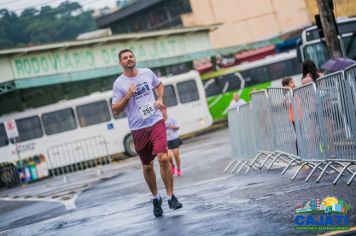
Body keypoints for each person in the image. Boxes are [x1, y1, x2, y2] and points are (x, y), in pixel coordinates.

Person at [112, 49, 182, 217]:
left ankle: (171, 197)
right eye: (125, 58)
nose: (129, 59)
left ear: (134, 58)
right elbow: (115, 109)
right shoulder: (119, 84)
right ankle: (155, 198)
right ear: (120, 63)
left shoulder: (147, 73)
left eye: (131, 56)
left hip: (156, 121)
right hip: (138, 128)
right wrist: (128, 95)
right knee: (148, 166)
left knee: (163, 158)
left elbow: (159, 84)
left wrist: (159, 99)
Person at [161, 107, 183, 176]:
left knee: (176, 155)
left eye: (163, 110)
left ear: (166, 110)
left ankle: (179, 168)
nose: (163, 112)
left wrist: (172, 127)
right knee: (170, 156)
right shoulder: (160, 122)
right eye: (161, 111)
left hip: (174, 139)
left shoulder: (172, 119)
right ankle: (172, 166)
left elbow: (178, 127)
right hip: (167, 141)